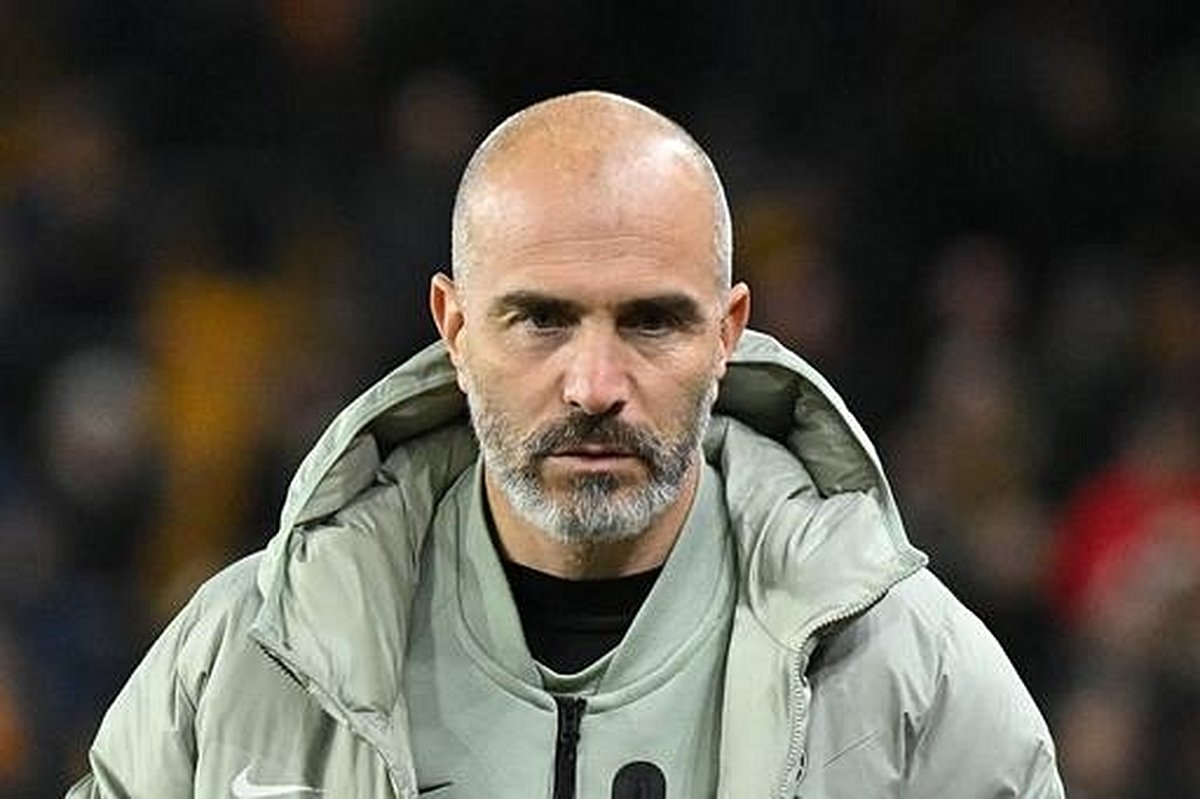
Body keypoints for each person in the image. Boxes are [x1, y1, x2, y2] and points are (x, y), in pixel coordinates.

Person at [68, 91, 1063, 798]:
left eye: (651, 321)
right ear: (455, 330)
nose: (594, 386)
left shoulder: (915, 675)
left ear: (728, 334)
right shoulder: (244, 659)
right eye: (541, 319)